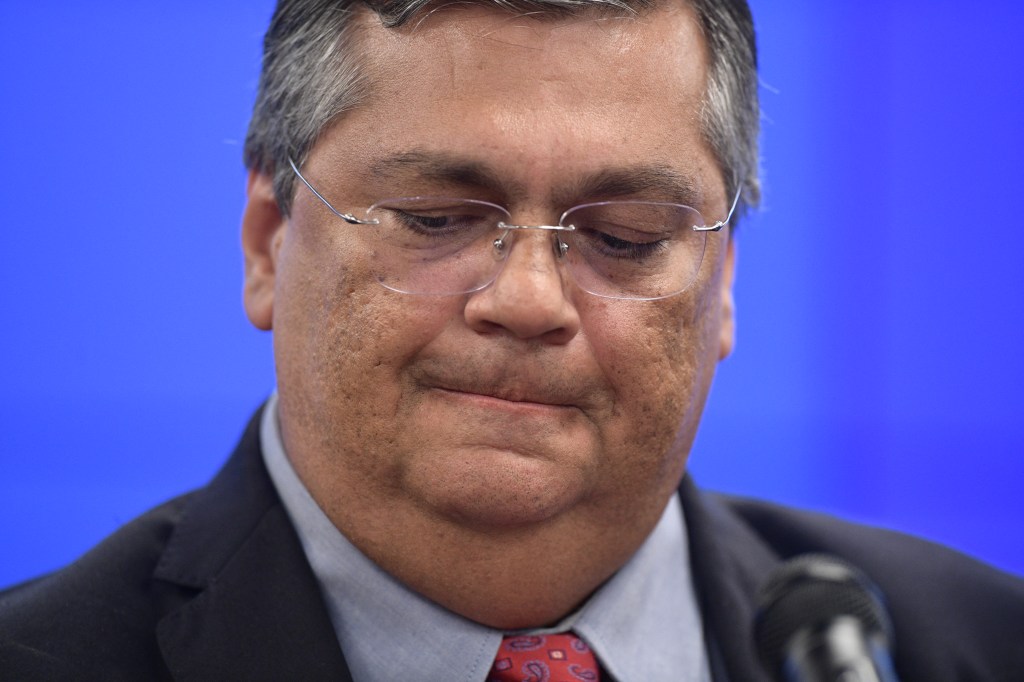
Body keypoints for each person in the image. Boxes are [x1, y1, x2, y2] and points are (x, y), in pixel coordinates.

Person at [1, 0, 1021, 680]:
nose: (529, 298)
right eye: (436, 217)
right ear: (268, 240)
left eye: (624, 238)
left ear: (722, 287)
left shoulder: (968, 646)